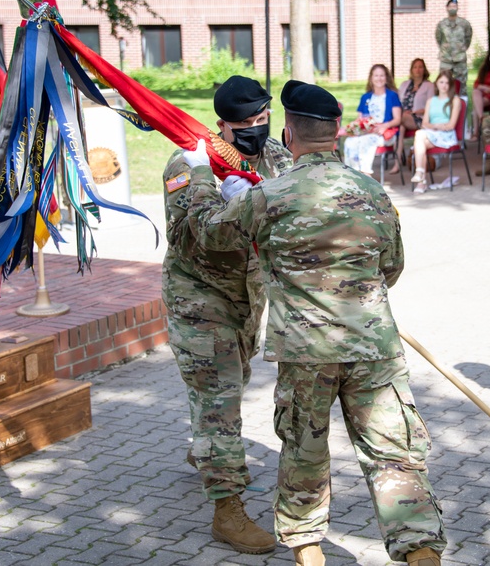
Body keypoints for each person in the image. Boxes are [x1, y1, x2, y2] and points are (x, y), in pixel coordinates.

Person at [180, 80, 447, 566]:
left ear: (287, 132)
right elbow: (391, 266)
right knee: (392, 454)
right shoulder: (372, 191)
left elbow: (209, 233)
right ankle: (420, 550)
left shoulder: (270, 195)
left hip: (306, 350)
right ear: (338, 132)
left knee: (305, 450)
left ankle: (307, 549)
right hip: (373, 346)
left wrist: (201, 178)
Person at [161, 75, 291, 554]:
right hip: (201, 299)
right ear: (222, 126)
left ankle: (207, 450)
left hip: (246, 301)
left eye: (262, 119)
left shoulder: (276, 157)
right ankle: (227, 510)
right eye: (245, 124)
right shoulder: (189, 163)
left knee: (225, 389)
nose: (256, 130)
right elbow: (188, 237)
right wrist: (233, 204)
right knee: (220, 404)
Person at [341, 64, 401, 178]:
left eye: (382, 75)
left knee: (367, 141)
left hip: (384, 133)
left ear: (386, 78)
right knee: (349, 142)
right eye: (376, 75)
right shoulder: (366, 97)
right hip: (367, 132)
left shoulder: (392, 96)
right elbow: (360, 119)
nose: (379, 78)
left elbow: (398, 119)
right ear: (371, 78)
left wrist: (384, 126)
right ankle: (353, 175)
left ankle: (366, 175)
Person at [411, 70, 462, 193]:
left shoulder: (455, 100)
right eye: (441, 82)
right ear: (437, 84)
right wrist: (436, 126)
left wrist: (435, 126)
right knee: (420, 138)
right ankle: (421, 177)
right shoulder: (431, 101)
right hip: (431, 134)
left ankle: (420, 179)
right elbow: (424, 123)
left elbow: (451, 125)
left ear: (450, 85)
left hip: (446, 136)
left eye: (447, 83)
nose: (444, 85)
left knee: (419, 137)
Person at [394, 58, 436, 172]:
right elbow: (397, 102)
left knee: (398, 120)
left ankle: (397, 160)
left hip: (420, 119)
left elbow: (431, 106)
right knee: (401, 126)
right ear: (411, 70)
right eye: (415, 67)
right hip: (404, 118)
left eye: (420, 67)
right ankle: (397, 162)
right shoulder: (404, 84)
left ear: (424, 69)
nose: (418, 70)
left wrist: (415, 112)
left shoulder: (429, 85)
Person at [435, 0, 473, 95]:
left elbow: (468, 38)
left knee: (462, 84)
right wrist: (446, 49)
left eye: (454, 6)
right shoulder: (442, 24)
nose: (453, 8)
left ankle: (462, 104)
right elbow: (439, 39)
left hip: (460, 58)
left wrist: (462, 49)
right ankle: (445, 104)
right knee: (444, 83)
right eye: (451, 6)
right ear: (447, 8)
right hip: (446, 59)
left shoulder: (464, 23)